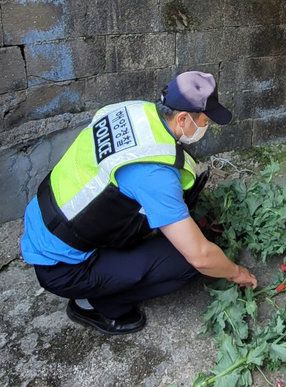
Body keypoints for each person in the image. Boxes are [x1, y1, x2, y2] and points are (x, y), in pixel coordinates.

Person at [20, 71, 258, 335]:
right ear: (182, 118)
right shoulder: (154, 174)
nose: (206, 126)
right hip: (62, 268)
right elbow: (200, 256)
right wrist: (236, 272)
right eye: (204, 120)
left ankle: (102, 281)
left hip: (45, 220)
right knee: (188, 263)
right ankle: (96, 305)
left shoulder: (134, 111)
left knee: (176, 235)